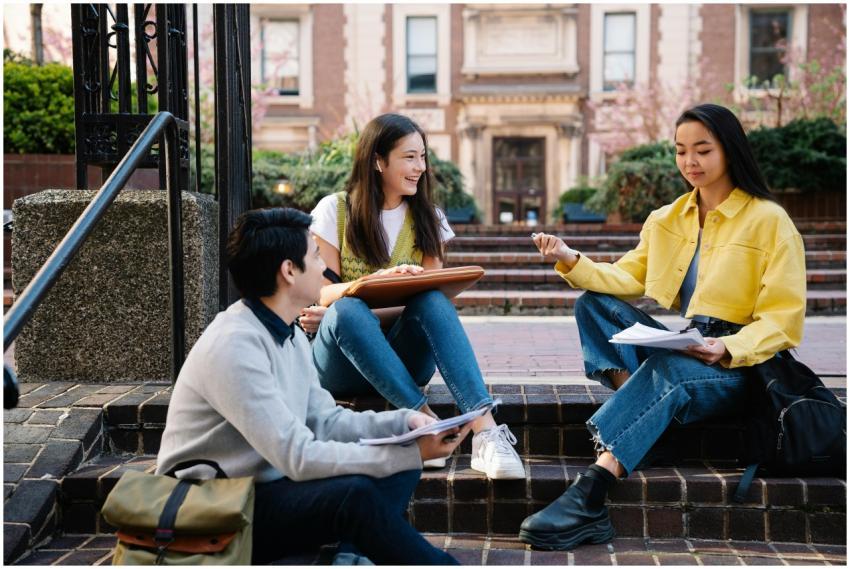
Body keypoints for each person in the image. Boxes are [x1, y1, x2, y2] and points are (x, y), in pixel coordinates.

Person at [519, 103, 806, 550]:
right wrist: (569, 258)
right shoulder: (668, 218)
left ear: (729, 150)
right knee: (595, 306)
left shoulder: (769, 221)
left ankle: (592, 493)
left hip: (742, 366)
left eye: (703, 150)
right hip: (691, 344)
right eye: (680, 151)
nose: (690, 162)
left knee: (668, 370)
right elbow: (626, 280)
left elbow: (783, 320)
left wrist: (727, 348)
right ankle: (652, 426)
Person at [156, 207, 466, 565]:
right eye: (315, 256)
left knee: (398, 467)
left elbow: (325, 420)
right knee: (358, 492)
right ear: (289, 271)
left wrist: (403, 425)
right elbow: (299, 456)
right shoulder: (234, 344)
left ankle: (351, 558)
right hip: (212, 508)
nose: (323, 268)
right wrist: (411, 452)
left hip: (261, 488)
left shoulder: (287, 334)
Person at [301, 113, 525, 480]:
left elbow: (426, 310)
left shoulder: (428, 218)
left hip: (404, 357)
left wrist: (356, 310)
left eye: (423, 157)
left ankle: (485, 431)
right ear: (377, 160)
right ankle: (429, 426)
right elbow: (322, 292)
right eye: (409, 157)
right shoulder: (335, 210)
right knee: (345, 312)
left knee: (432, 300)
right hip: (339, 364)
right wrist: (373, 284)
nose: (419, 167)